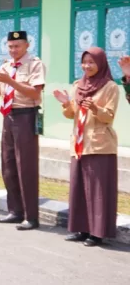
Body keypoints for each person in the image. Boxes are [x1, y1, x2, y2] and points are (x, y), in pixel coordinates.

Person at [54, 48, 119, 247]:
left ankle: (97, 233)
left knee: (98, 191)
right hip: (79, 144)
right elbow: (71, 114)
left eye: (91, 62)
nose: (87, 66)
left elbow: (108, 116)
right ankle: (81, 229)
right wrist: (66, 104)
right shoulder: (77, 85)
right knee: (79, 188)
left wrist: (95, 108)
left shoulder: (110, 87)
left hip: (100, 145)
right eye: (84, 62)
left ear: (101, 63)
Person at [0, 31, 46, 231]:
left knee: (26, 166)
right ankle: (15, 211)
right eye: (10, 46)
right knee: (9, 164)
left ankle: (31, 216)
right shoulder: (5, 66)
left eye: (17, 46)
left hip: (26, 116)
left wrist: (10, 81)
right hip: (9, 116)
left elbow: (35, 91)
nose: (13, 50)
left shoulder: (35, 64)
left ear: (27, 45)